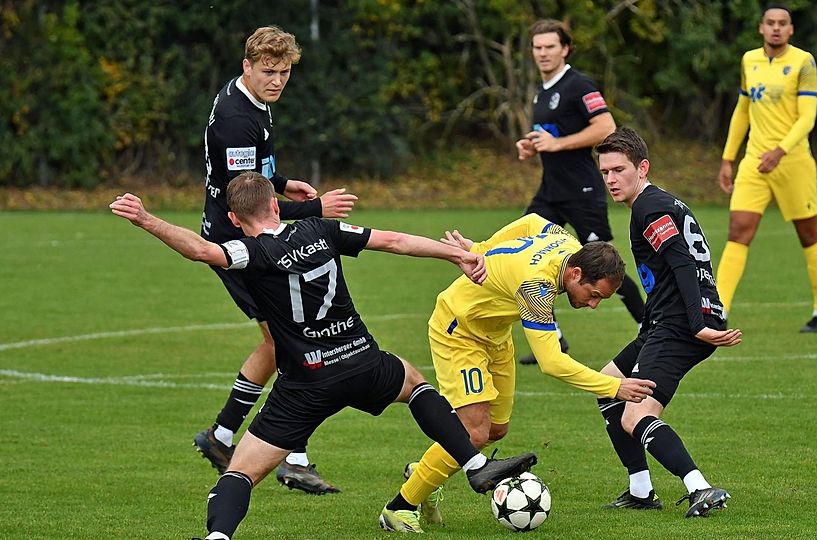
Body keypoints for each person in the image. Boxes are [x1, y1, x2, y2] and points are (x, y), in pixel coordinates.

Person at [110, 172, 538, 540]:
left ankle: (218, 535)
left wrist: (147, 219)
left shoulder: (250, 252)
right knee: (414, 383)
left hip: (305, 385)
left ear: (236, 220)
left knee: (240, 473)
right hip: (360, 361)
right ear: (276, 208)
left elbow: (202, 250)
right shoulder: (322, 230)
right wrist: (457, 254)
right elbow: (394, 241)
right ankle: (476, 464)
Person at [379, 212, 657, 531]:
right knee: (475, 431)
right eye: (594, 295)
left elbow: (534, 221)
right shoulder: (536, 288)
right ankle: (399, 508)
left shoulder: (569, 245)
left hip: (495, 334)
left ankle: (424, 474)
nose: (593, 305)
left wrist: (484, 247)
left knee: (496, 429)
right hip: (458, 331)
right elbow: (552, 362)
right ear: (576, 273)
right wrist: (612, 387)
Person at [196, 25, 359, 494]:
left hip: (250, 233)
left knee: (277, 342)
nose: (278, 80)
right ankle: (294, 458)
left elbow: (255, 175)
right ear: (246, 66)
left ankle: (223, 435)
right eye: (269, 71)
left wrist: (282, 182)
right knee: (292, 340)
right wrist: (314, 209)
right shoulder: (235, 117)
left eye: (285, 72)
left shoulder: (253, 103)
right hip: (239, 243)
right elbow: (245, 202)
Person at [595, 127, 741, 517]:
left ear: (642, 168)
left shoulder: (649, 207)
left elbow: (680, 262)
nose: (610, 179)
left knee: (636, 414)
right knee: (609, 385)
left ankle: (700, 488)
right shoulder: (657, 203)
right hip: (668, 322)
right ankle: (640, 490)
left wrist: (696, 323)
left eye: (618, 169)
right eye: (604, 171)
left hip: (681, 325)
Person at [513, 18, 646, 364]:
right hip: (550, 191)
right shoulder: (541, 92)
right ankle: (552, 337)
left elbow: (606, 127)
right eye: (537, 47)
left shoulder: (578, 85)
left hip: (582, 190)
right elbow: (551, 136)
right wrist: (533, 147)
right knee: (526, 256)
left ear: (565, 49)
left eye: (550, 47)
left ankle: (651, 326)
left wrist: (557, 144)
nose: (542, 53)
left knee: (604, 265)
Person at [716, 4, 817, 333]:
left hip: (793, 162)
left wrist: (780, 151)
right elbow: (742, 110)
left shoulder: (803, 62)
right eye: (771, 23)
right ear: (761, 28)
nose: (776, 28)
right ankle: (720, 309)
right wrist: (728, 157)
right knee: (738, 230)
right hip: (754, 161)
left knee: (809, 235)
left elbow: (807, 118)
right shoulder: (749, 60)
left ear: (791, 30)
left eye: (783, 23)